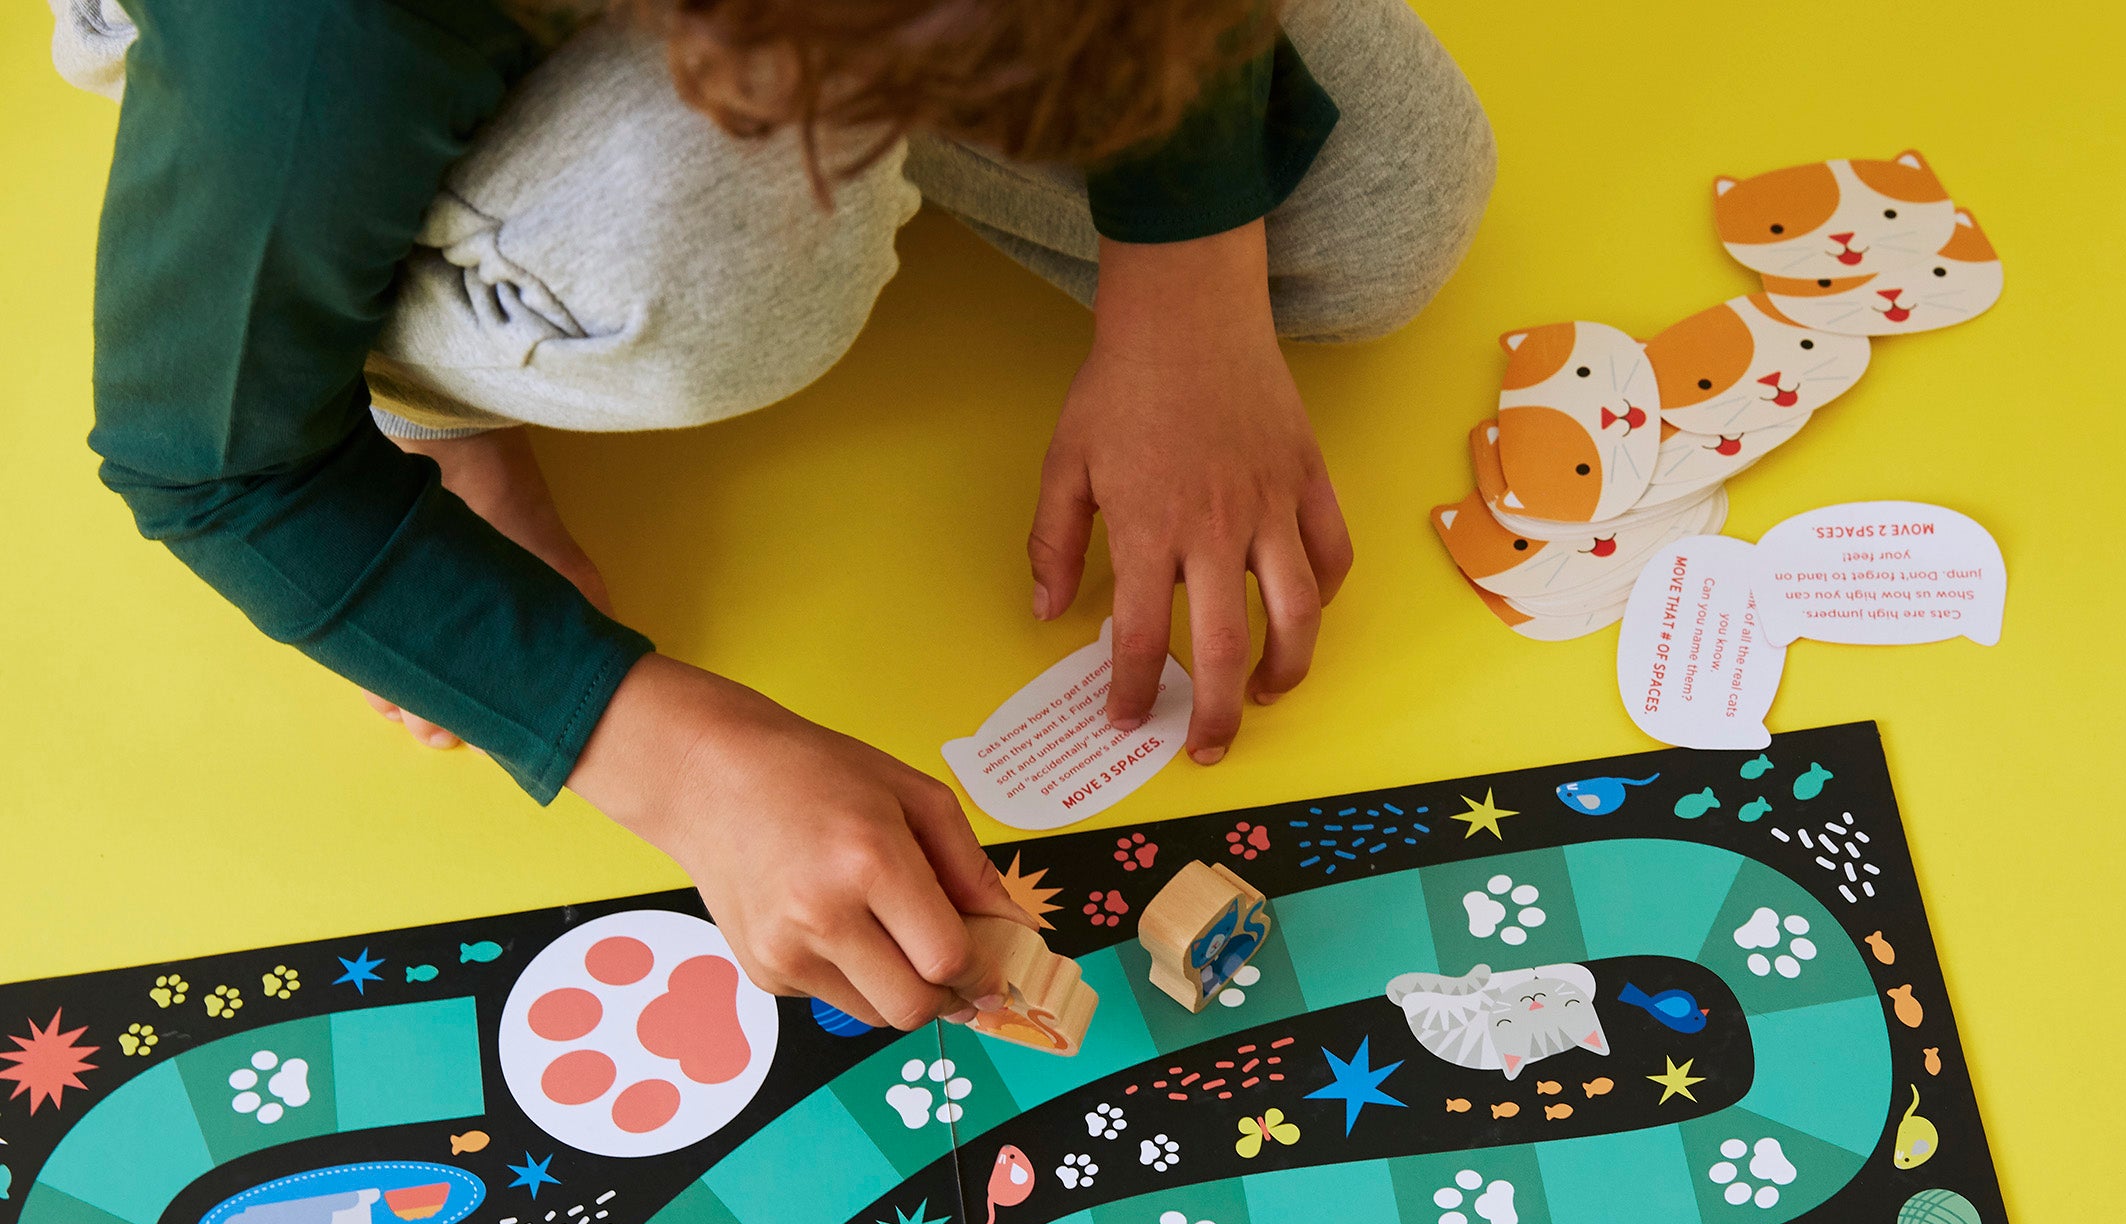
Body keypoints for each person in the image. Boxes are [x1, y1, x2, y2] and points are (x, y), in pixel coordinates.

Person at [50, 0, 1494, 1028]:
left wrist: (1190, 282)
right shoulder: (311, 41)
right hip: (304, 102)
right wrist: (676, 760)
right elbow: (208, 460)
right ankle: (425, 372)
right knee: (723, 264)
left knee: (1387, 204)